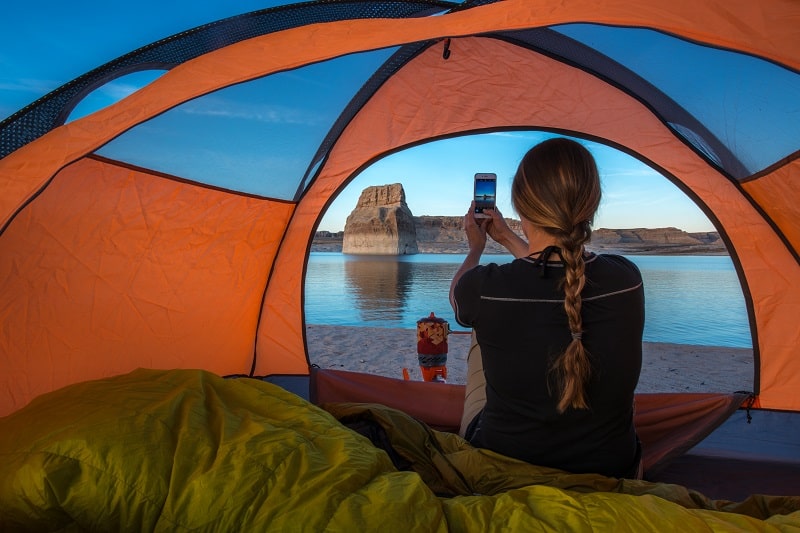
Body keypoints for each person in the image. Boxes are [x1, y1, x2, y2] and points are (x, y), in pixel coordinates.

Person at [449, 137, 645, 479]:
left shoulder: (486, 288)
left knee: (479, 327)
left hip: (504, 469)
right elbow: (561, 273)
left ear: (521, 206)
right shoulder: (627, 278)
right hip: (615, 470)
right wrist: (506, 238)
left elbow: (457, 297)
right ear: (592, 203)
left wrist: (475, 248)